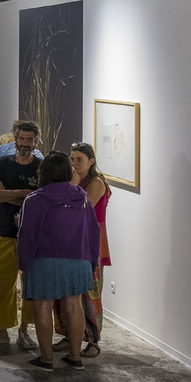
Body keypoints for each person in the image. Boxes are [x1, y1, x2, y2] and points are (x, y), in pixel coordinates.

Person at [16, 153, 99, 371]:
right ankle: (75, 357)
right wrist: (90, 262)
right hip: (78, 260)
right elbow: (93, 231)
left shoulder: (36, 199)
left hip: (45, 260)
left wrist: (23, 262)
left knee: (43, 305)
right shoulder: (81, 197)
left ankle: (46, 359)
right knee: (74, 305)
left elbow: (27, 233)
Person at [0, 121, 43, 350]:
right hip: (8, 232)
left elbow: (40, 200)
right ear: (15, 139)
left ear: (36, 141)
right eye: (21, 139)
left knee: (30, 285)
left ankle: (24, 331)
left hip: (33, 235)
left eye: (29, 140)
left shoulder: (41, 167)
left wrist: (6, 194)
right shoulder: (2, 163)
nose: (25, 144)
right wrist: (24, 194)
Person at [69, 142, 112, 357]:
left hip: (92, 241)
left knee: (91, 293)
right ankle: (72, 336)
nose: (74, 163)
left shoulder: (96, 183)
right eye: (72, 159)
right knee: (71, 292)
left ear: (91, 161)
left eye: (79, 159)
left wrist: (74, 183)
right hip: (74, 240)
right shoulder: (75, 180)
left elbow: (80, 208)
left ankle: (94, 341)